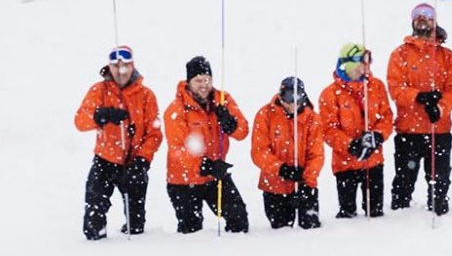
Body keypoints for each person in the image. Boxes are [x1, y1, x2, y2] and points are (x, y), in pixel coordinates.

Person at [74, 46, 162, 239]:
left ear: (132, 66)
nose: (120, 70)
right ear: (109, 67)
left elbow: (155, 134)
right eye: (115, 66)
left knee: (136, 227)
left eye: (125, 66)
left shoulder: (146, 95)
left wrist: (142, 161)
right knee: (93, 224)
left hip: (134, 164)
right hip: (104, 160)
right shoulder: (98, 90)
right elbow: (80, 121)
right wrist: (101, 116)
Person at [386, 3, 452, 215]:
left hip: (439, 130)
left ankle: (439, 218)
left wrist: (440, 108)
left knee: (439, 181)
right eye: (417, 15)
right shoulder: (400, 54)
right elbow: (396, 88)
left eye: (427, 15)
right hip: (409, 131)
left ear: (434, 21)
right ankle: (399, 218)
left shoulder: (446, 56)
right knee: (404, 180)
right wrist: (419, 96)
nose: (422, 19)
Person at [163, 56, 250, 234]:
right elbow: (178, 149)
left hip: (215, 176)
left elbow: (242, 132)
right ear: (189, 82)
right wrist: (206, 165)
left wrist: (231, 124)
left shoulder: (223, 100)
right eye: (198, 80)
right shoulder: (176, 110)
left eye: (207, 79)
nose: (204, 85)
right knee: (191, 231)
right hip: (184, 180)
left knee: (238, 220)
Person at [319, 43, 394, 218]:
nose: (367, 67)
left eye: (368, 62)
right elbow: (328, 130)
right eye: (363, 62)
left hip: (373, 162)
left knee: (375, 214)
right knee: (347, 215)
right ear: (350, 63)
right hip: (345, 164)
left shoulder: (376, 87)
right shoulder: (329, 94)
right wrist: (351, 145)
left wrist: (377, 136)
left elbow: (387, 117)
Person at [251, 76, 324, 229]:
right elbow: (259, 151)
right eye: (288, 97)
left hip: (304, 184)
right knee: (281, 231)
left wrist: (307, 183)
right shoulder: (265, 115)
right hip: (274, 187)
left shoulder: (312, 119)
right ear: (280, 96)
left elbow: (316, 154)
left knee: (310, 229)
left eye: (297, 98)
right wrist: (281, 169)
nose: (292, 103)